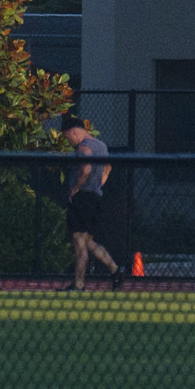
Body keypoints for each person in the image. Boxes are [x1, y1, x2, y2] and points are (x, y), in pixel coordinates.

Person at [60, 115, 120, 289]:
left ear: (73, 132)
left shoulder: (83, 147)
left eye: (67, 136)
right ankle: (115, 269)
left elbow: (85, 169)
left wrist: (76, 187)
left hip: (82, 197)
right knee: (89, 242)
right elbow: (108, 167)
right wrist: (99, 182)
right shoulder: (101, 146)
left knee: (78, 240)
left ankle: (79, 284)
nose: (68, 140)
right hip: (95, 197)